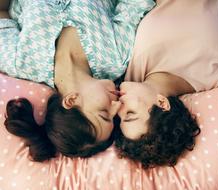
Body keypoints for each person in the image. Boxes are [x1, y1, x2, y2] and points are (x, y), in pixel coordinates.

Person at [0, 0, 155, 161]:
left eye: (104, 113)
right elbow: (135, 4)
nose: (117, 105)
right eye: (113, 117)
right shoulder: (115, 60)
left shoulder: (23, 63)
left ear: (71, 100)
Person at [114, 0, 218, 168]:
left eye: (121, 118)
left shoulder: (126, 79)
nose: (119, 108)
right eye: (130, 113)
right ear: (162, 103)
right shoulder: (213, 74)